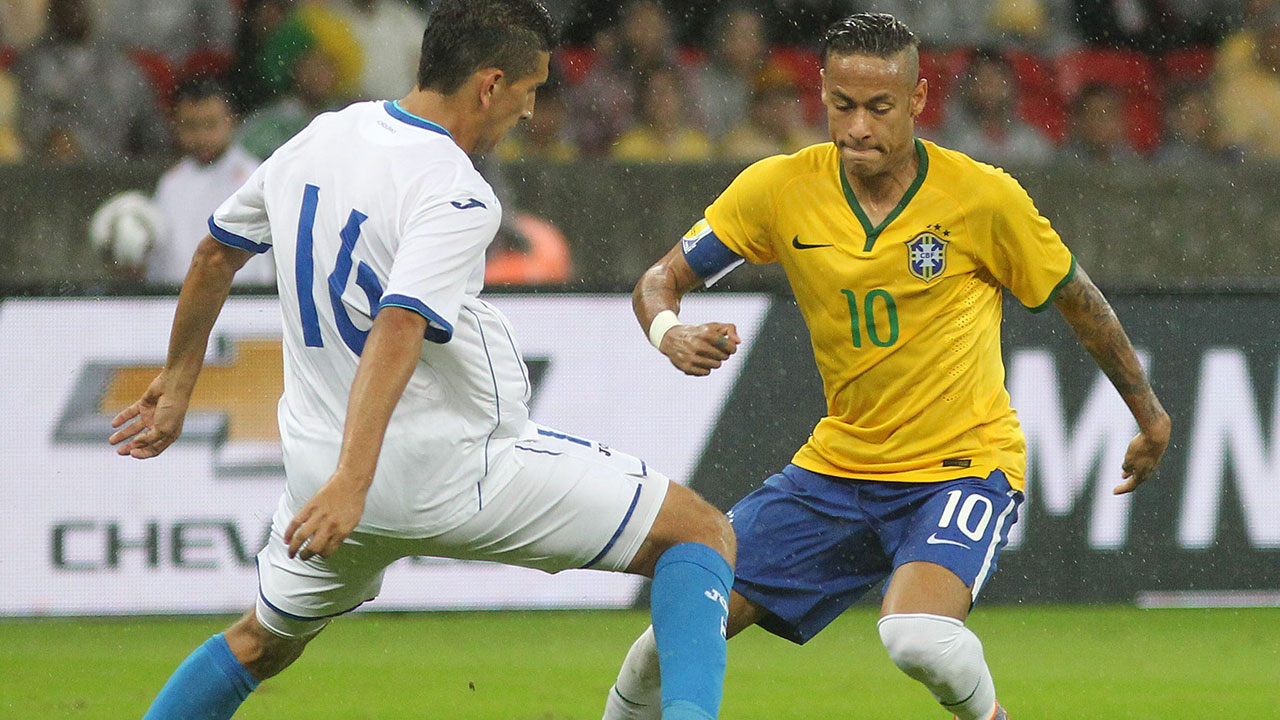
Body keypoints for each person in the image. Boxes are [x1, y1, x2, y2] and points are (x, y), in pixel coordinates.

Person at [108, 3, 734, 719]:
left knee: (258, 644)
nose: (531, 111)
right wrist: (356, 480)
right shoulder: (456, 191)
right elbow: (400, 324)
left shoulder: (323, 136)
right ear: (490, 85)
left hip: (321, 482)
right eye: (531, 90)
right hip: (449, 470)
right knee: (700, 533)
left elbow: (215, 254)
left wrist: (177, 384)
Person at [602, 13, 1169, 720]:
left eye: (878, 108)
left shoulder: (982, 197)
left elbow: (1079, 301)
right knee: (669, 641)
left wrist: (1149, 415)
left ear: (917, 99)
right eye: (842, 105)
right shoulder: (779, 188)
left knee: (918, 638)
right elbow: (660, 280)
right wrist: (668, 332)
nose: (858, 128)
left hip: (961, 466)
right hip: (837, 470)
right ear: (821, 92)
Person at [148, 76, 269, 286]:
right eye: (191, 126)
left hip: (248, 298)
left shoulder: (256, 176)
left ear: (231, 121)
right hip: (175, 298)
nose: (201, 136)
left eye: (210, 124)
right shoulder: (170, 183)